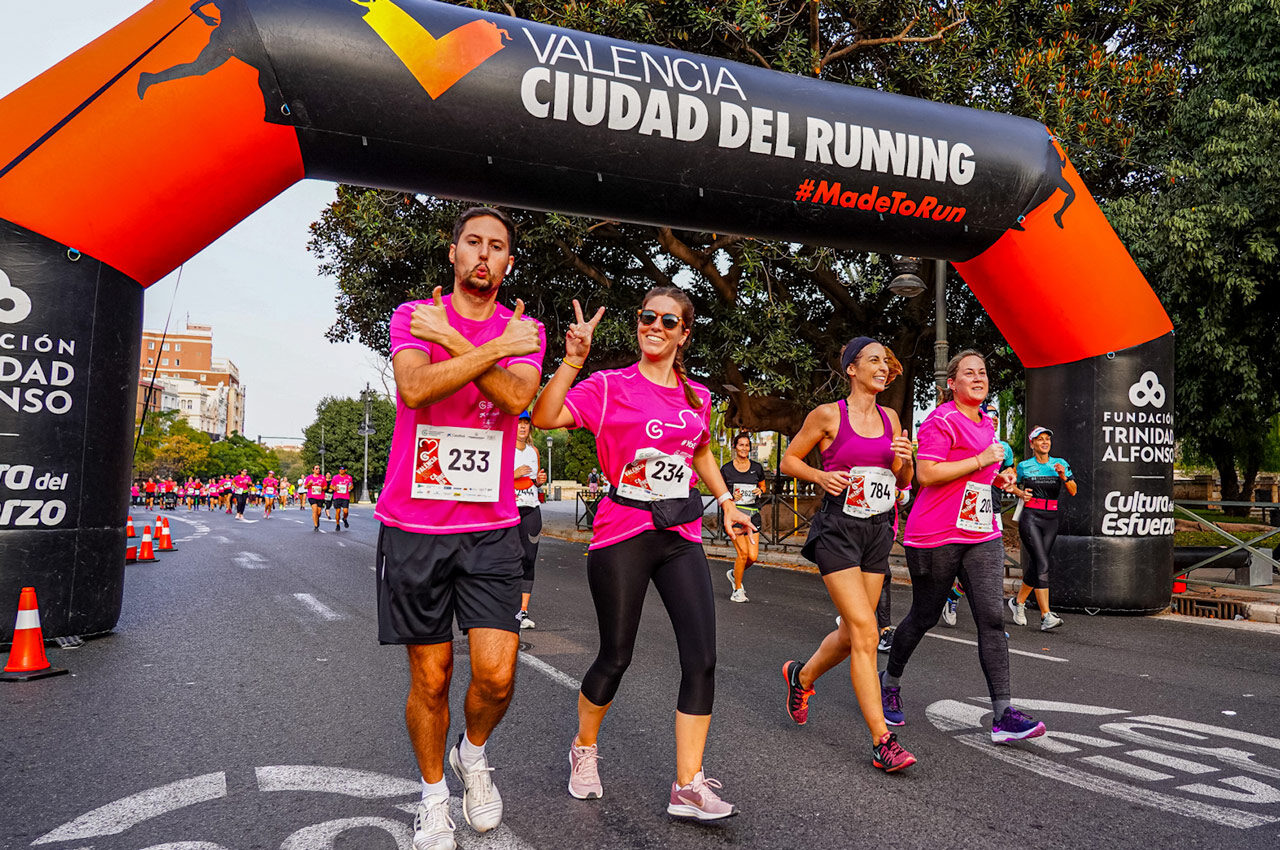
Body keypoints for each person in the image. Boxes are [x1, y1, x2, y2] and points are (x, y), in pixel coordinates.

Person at [533, 286, 751, 820]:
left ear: (684, 334)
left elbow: (699, 451)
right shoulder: (608, 386)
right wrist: (572, 360)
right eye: (646, 317)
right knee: (616, 656)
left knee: (701, 658)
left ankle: (688, 785)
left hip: (681, 536)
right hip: (621, 533)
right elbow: (544, 416)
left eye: (668, 321)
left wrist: (725, 500)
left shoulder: (697, 397)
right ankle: (584, 748)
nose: (654, 326)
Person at [375, 206, 544, 850]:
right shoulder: (411, 315)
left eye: (496, 246)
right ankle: (433, 797)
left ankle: (472, 756)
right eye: (472, 242)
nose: (483, 254)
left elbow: (514, 399)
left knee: (497, 675)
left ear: (507, 262)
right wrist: (489, 349)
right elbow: (415, 389)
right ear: (453, 253)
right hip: (415, 524)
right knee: (432, 677)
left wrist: (472, 342)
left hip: (492, 525)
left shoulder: (523, 329)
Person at [881, 349, 1047, 745]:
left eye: (983, 372)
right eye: (968, 372)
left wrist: (1000, 476)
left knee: (991, 619)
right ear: (951, 383)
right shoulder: (941, 420)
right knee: (924, 616)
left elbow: (980, 472)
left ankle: (1003, 715)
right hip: (935, 533)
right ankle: (889, 680)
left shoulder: (988, 422)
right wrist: (980, 460)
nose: (978, 377)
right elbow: (927, 473)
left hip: (980, 532)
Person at [778, 336, 917, 773]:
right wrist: (821, 475)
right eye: (873, 359)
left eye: (886, 361)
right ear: (851, 369)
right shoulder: (827, 415)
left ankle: (801, 677)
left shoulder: (891, 417)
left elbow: (901, 478)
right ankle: (882, 740)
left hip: (877, 529)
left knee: (854, 634)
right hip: (838, 527)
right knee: (866, 631)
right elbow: (789, 460)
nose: (882, 366)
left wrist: (906, 459)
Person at [1008, 426, 1078, 631]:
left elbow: (1073, 491)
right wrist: (1020, 494)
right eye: (1040, 439)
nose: (1045, 442)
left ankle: (1018, 602)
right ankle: (1046, 615)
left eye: (1047, 439)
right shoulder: (1023, 466)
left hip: (1051, 519)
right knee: (1042, 562)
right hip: (1031, 517)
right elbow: (1011, 485)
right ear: (1032, 444)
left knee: (1038, 565)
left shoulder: (1060, 464)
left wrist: (1064, 476)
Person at [719, 432, 766, 603]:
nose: (744, 448)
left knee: (752, 557)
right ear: (735, 446)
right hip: (735, 515)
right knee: (743, 554)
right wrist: (731, 498)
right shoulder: (726, 469)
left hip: (753, 515)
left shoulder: (757, 467)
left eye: (747, 445)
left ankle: (734, 573)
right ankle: (737, 589)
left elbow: (763, 486)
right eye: (741, 445)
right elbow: (721, 492)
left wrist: (760, 491)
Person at [512, 410, 544, 629]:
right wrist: (512, 474)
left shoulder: (534, 451)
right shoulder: (503, 450)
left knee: (529, 560)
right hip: (508, 510)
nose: (523, 427)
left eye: (526, 423)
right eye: (519, 423)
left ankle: (523, 612)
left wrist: (540, 481)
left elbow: (535, 483)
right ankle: (506, 608)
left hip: (531, 510)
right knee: (506, 560)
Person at [330, 465, 355, 531]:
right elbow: (331, 486)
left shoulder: (349, 477)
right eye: (340, 469)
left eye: (342, 469)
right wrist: (334, 488)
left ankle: (344, 518)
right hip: (337, 496)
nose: (341, 470)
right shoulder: (335, 477)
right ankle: (337, 524)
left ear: (345, 470)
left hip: (345, 496)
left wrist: (350, 487)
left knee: (345, 511)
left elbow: (351, 485)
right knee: (338, 511)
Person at [303, 465, 327, 531]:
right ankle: (316, 526)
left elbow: (325, 486)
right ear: (313, 470)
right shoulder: (309, 478)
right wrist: (309, 484)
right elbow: (305, 487)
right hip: (312, 496)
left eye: (319, 468)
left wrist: (322, 488)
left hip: (320, 496)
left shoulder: (322, 477)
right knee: (315, 510)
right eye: (316, 469)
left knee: (319, 512)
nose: (318, 470)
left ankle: (317, 519)